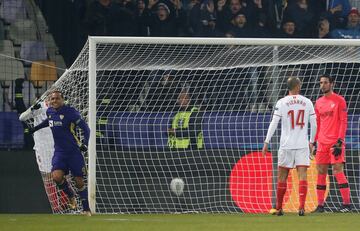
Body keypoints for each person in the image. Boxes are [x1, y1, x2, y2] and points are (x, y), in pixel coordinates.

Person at [29, 90, 91, 216]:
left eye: (57, 98)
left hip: (73, 152)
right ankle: (70, 195)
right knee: (56, 177)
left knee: (79, 181)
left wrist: (85, 144)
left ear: (62, 100)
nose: (54, 101)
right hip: (60, 152)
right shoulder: (50, 111)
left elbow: (85, 128)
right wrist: (36, 128)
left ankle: (86, 209)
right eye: (52, 99)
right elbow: (49, 121)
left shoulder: (71, 112)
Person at [262, 77, 317, 216]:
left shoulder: (281, 102)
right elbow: (314, 124)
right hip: (302, 144)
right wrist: (312, 142)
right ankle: (301, 208)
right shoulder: (307, 102)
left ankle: (279, 208)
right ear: (298, 86)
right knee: (303, 176)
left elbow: (274, 123)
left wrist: (266, 141)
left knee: (282, 176)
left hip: (286, 145)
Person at [19, 100, 70, 213]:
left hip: (58, 146)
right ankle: (56, 209)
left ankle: (68, 204)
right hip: (43, 148)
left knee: (62, 175)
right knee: (48, 178)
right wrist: (32, 109)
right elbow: (22, 117)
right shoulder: (39, 107)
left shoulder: (62, 106)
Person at [312, 74, 351, 213]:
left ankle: (346, 204)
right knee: (321, 172)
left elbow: (343, 121)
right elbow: (317, 123)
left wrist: (340, 141)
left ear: (331, 84)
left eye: (325, 82)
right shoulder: (318, 102)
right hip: (322, 143)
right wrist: (314, 141)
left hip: (335, 142)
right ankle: (320, 206)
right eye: (321, 83)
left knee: (337, 171)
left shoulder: (340, 100)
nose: (322, 85)